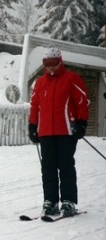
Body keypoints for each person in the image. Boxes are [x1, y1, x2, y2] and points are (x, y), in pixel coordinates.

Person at [28, 46, 89, 217]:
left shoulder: (72, 78)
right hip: (46, 132)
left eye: (54, 63)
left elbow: (82, 102)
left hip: (66, 131)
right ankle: (50, 201)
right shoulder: (40, 83)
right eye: (47, 63)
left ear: (60, 61)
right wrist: (32, 126)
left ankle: (68, 201)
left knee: (65, 166)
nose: (51, 67)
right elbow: (34, 106)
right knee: (47, 168)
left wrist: (81, 123)